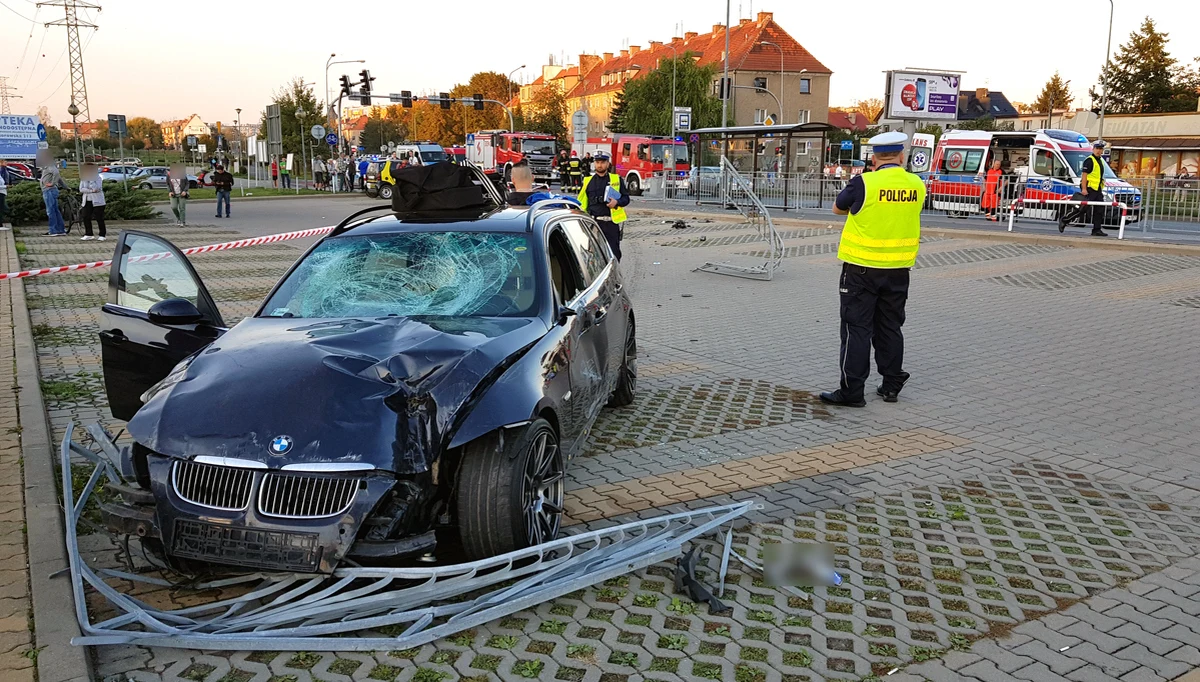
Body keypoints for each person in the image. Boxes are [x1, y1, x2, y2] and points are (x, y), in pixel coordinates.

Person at [819, 131, 925, 408]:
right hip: (899, 269)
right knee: (890, 327)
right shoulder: (916, 183)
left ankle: (852, 391)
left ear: (874, 157)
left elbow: (837, 209)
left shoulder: (864, 182)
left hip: (861, 270)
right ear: (901, 156)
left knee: (857, 330)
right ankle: (891, 385)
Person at [578, 150, 630, 260]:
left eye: (602, 162)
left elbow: (626, 199)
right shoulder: (587, 181)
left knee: (614, 255)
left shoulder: (616, 179)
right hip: (593, 223)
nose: (599, 165)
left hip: (611, 224)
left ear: (608, 164)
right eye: (597, 162)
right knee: (593, 256)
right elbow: (581, 202)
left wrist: (617, 202)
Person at [1059, 140, 1108, 237]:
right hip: (1089, 188)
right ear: (1093, 149)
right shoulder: (1089, 160)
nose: (1099, 151)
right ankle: (1065, 220)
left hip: (1097, 189)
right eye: (1097, 148)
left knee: (1100, 209)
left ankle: (1096, 230)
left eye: (1100, 149)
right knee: (1082, 209)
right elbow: (1084, 175)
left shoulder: (1100, 160)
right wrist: (1084, 189)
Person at [78, 169, 107, 241]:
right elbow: (81, 189)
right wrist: (90, 191)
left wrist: (91, 180)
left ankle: (102, 234)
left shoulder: (98, 178)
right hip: (87, 200)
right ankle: (89, 234)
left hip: (98, 201)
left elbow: (96, 188)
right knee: (86, 217)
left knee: (99, 218)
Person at [40, 161, 66, 236]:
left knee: (50, 211)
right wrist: (66, 187)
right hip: (50, 191)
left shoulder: (49, 165)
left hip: (49, 191)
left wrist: (52, 183)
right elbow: (59, 178)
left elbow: (56, 173)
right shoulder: (47, 167)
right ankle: (60, 230)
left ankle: (53, 230)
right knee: (55, 210)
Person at [981, 157, 1004, 221]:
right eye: (997, 164)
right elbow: (985, 179)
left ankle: (993, 218)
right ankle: (988, 217)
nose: (998, 166)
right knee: (985, 205)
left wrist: (1000, 188)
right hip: (987, 191)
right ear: (993, 164)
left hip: (995, 191)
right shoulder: (989, 171)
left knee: (993, 206)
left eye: (999, 164)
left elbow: (1006, 180)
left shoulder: (1001, 171)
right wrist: (984, 187)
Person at [0, 161, 9, 230]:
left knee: (2, 208)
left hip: (2, 192)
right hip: (0, 192)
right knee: (1, 208)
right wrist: (5, 186)